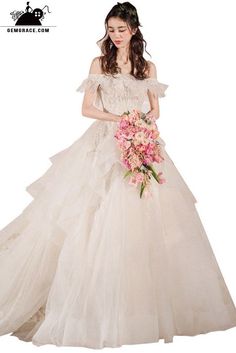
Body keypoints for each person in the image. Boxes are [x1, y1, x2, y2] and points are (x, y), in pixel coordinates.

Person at [0, 1, 236, 349]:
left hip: (141, 142)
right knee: (91, 213)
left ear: (134, 31)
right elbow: (86, 109)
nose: (115, 36)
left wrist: (141, 125)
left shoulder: (148, 67)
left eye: (121, 30)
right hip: (103, 144)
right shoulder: (100, 63)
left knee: (148, 218)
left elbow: (156, 111)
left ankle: (137, 309)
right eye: (110, 30)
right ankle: (82, 306)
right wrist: (121, 121)